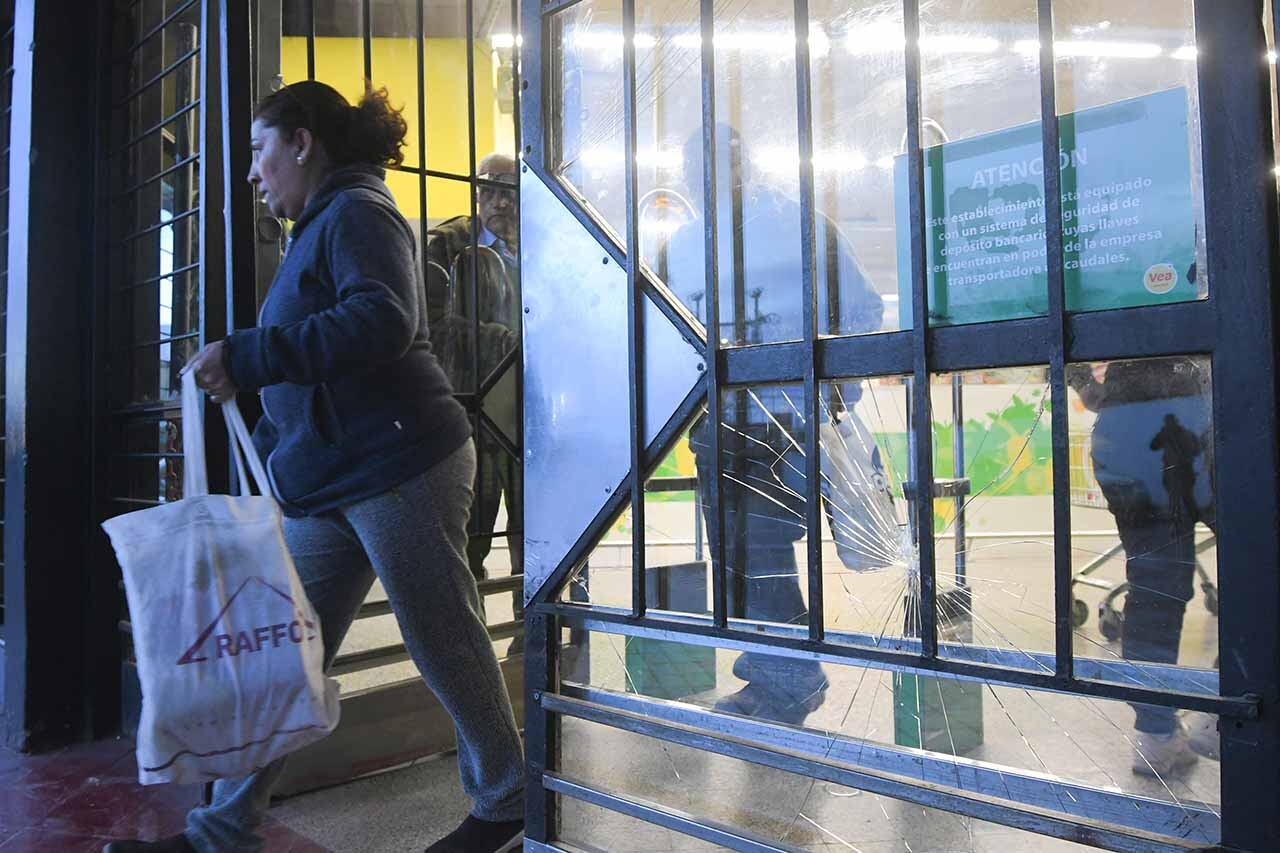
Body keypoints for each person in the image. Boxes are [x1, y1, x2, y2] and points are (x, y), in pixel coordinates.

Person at [105, 81, 524, 853]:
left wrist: (249, 353)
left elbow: (383, 318)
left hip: (400, 463)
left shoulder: (359, 210)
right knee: (282, 655)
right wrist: (269, 434)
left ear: (303, 142)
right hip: (334, 480)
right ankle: (221, 830)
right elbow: (315, 374)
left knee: (442, 637)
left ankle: (503, 804)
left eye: (262, 152)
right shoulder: (321, 225)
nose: (254, 174)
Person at [664, 125, 884, 725]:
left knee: (762, 552)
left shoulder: (801, 227)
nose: (703, 175)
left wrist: (834, 391)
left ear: (745, 165)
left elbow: (862, 309)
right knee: (740, 558)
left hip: (787, 420)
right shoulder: (680, 244)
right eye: (693, 164)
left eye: (717, 162)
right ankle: (778, 674)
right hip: (716, 425)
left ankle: (787, 678)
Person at [1068, 356, 1218, 777]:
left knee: (1153, 592)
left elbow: (1084, 380)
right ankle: (1227, 712)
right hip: (1206, 427)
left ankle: (1156, 735)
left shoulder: (1115, 296)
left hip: (1127, 441)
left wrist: (1079, 379)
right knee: (1258, 566)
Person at [424, 153, 523, 628]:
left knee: (539, 536)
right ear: (474, 192)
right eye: (490, 191)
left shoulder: (539, 246)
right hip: (472, 412)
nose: (500, 202)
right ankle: (474, 637)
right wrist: (504, 339)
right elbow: (429, 325)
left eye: (509, 191)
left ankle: (536, 638)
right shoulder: (445, 245)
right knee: (469, 538)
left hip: (529, 415)